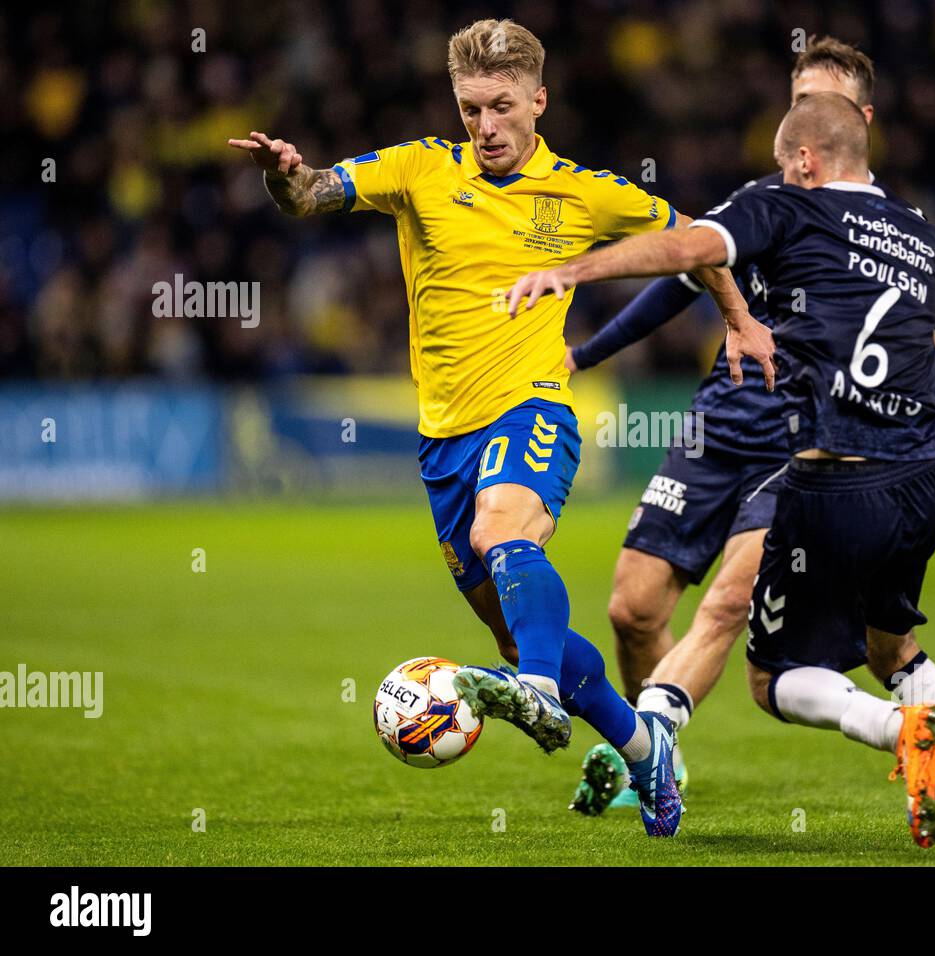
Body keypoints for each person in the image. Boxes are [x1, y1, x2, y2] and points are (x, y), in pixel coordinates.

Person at [227, 17, 775, 839]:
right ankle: (643, 746)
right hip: (443, 439)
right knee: (522, 637)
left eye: (501, 107)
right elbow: (310, 197)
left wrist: (737, 320)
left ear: (538, 101)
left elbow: (696, 243)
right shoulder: (418, 168)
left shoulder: (584, 192)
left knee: (503, 534)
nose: (485, 127)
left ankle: (543, 699)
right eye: (471, 107)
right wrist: (286, 175)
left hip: (534, 403)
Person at [507, 92, 935, 854]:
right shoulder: (928, 236)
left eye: (790, 160)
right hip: (920, 482)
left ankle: (879, 729)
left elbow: (688, 250)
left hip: (829, 480)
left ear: (806, 161)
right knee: (895, 651)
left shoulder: (787, 204)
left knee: (768, 675)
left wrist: (578, 269)